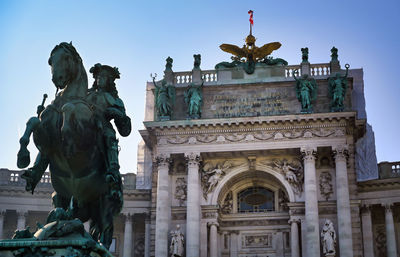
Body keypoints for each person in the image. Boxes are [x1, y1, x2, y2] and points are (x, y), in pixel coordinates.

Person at [87, 63, 131, 192]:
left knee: (109, 136)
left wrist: (118, 115)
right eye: (98, 76)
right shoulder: (85, 94)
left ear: (110, 81)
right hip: (84, 125)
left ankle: (112, 169)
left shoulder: (115, 100)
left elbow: (125, 130)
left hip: (103, 127)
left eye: (104, 77)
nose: (100, 79)